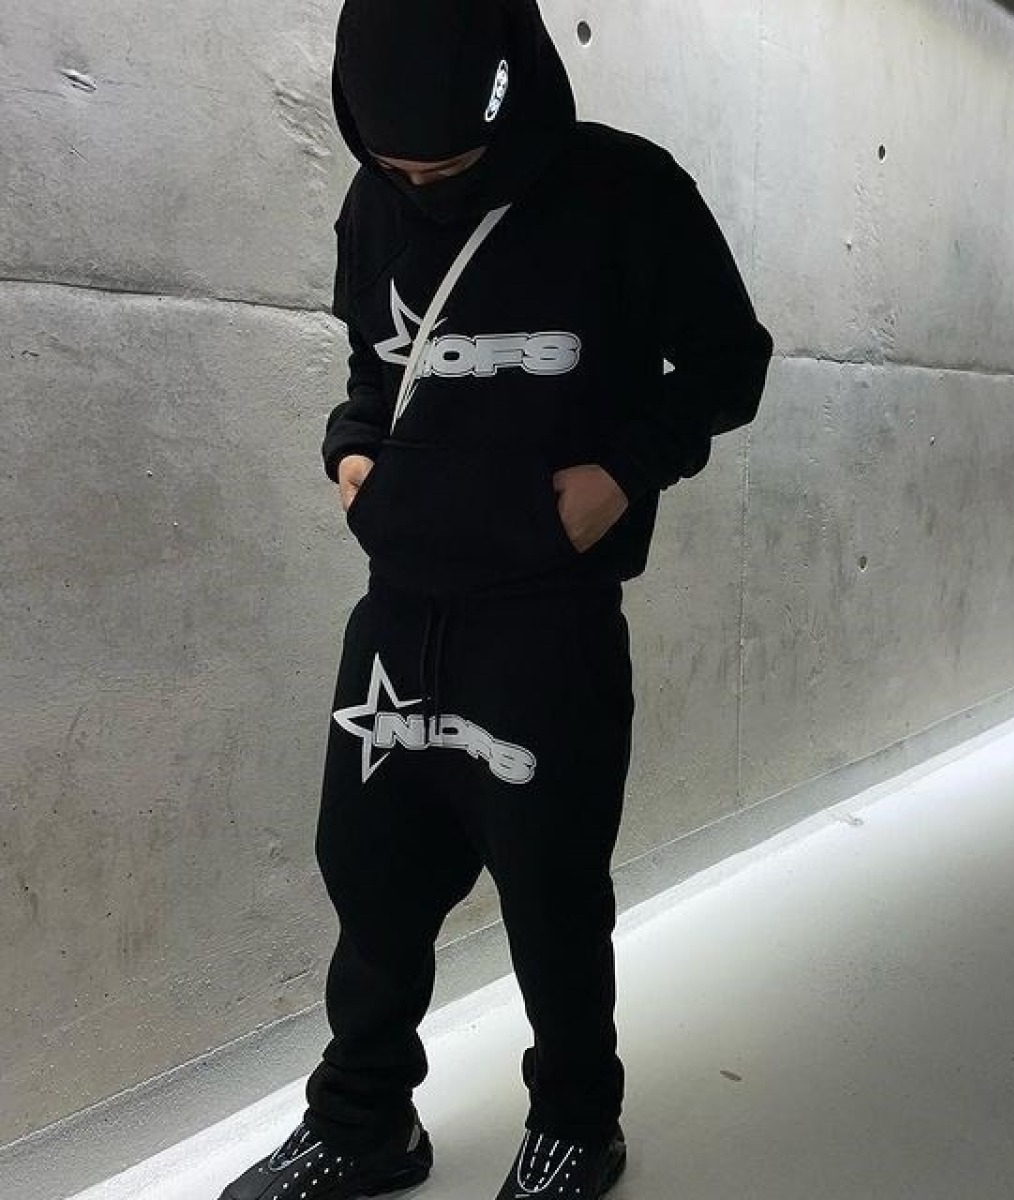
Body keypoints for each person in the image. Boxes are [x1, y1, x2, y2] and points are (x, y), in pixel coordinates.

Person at [218, 1, 772, 1197]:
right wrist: (351, 452)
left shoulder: (628, 190)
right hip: (400, 604)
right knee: (369, 877)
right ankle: (364, 1122)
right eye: (398, 166)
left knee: (550, 887)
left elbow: (732, 364)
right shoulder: (375, 200)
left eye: (450, 166)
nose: (421, 189)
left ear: (509, 99)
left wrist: (625, 470)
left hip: (547, 614)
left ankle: (577, 1122)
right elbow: (376, 365)